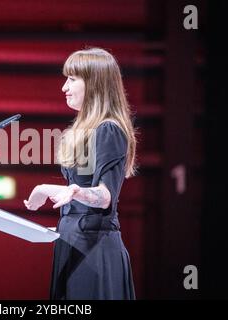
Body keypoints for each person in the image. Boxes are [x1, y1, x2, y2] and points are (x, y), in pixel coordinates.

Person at [24, 47, 137, 300]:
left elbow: (104, 196)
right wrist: (44, 189)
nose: (64, 87)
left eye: (72, 79)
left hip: (93, 249)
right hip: (72, 241)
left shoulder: (109, 130)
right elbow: (75, 188)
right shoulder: (83, 133)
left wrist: (76, 192)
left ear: (95, 83)